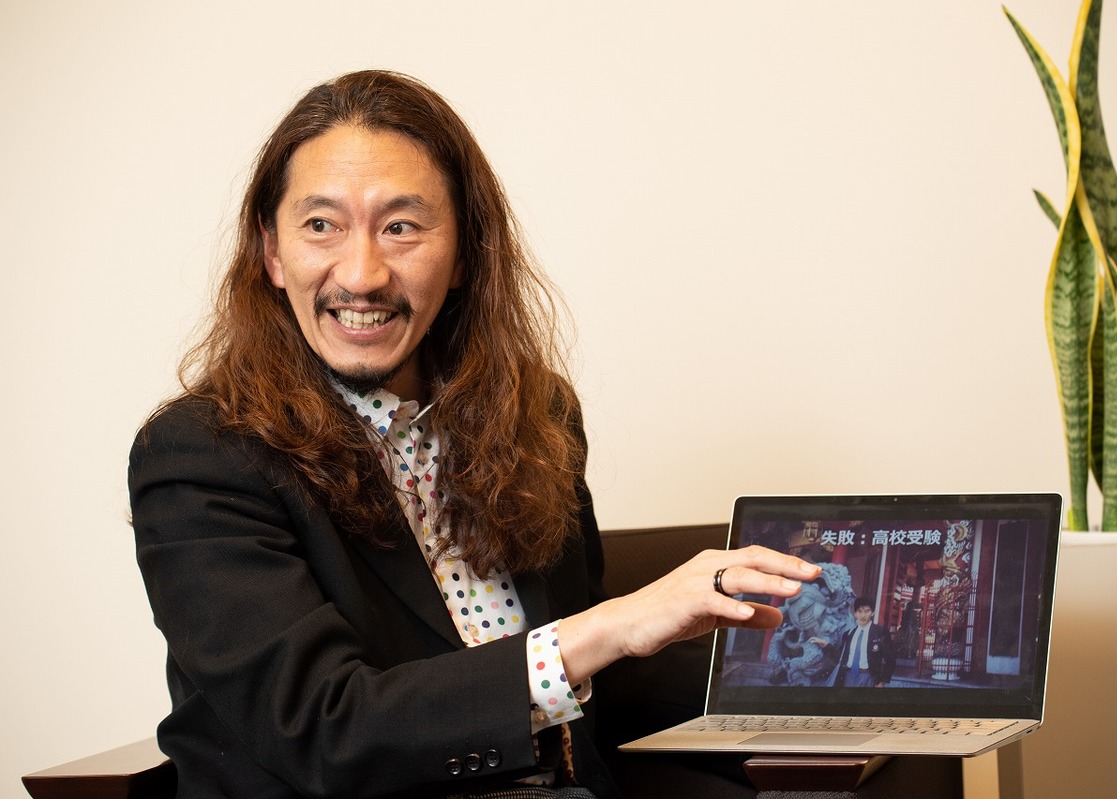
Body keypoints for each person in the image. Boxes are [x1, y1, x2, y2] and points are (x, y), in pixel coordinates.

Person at [128, 70, 821, 799]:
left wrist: (810, 678)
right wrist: (614, 624)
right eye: (321, 225)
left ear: (463, 253)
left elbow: (595, 690)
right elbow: (327, 728)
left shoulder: (535, 415)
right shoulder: (200, 455)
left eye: (401, 227)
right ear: (272, 252)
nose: (360, 274)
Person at [815, 598, 895, 688]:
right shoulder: (848, 634)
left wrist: (882, 681)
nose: (863, 615)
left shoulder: (880, 632)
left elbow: (890, 659)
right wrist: (826, 645)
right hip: (848, 676)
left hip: (868, 676)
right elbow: (841, 657)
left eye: (867, 611)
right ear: (855, 613)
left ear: (873, 613)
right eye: (859, 611)